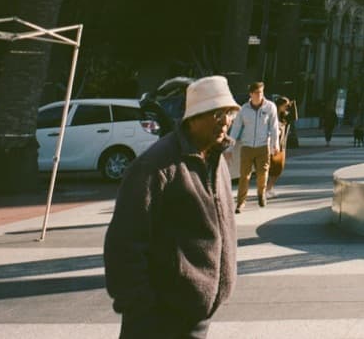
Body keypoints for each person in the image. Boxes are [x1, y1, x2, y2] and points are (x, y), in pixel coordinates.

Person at [104, 75, 237, 338]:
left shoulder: (215, 159)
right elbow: (123, 243)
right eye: (216, 113)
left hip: (196, 315)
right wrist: (141, 306)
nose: (225, 121)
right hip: (158, 319)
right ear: (193, 118)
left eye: (229, 113)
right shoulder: (156, 166)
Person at [227, 81, 277, 213]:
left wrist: (275, 145)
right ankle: (240, 203)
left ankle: (261, 194)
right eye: (256, 93)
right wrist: (230, 148)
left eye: (261, 92)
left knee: (262, 174)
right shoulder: (244, 109)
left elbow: (274, 127)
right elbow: (235, 129)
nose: (259, 95)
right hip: (247, 146)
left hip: (263, 146)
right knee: (244, 176)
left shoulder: (270, 107)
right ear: (251, 94)